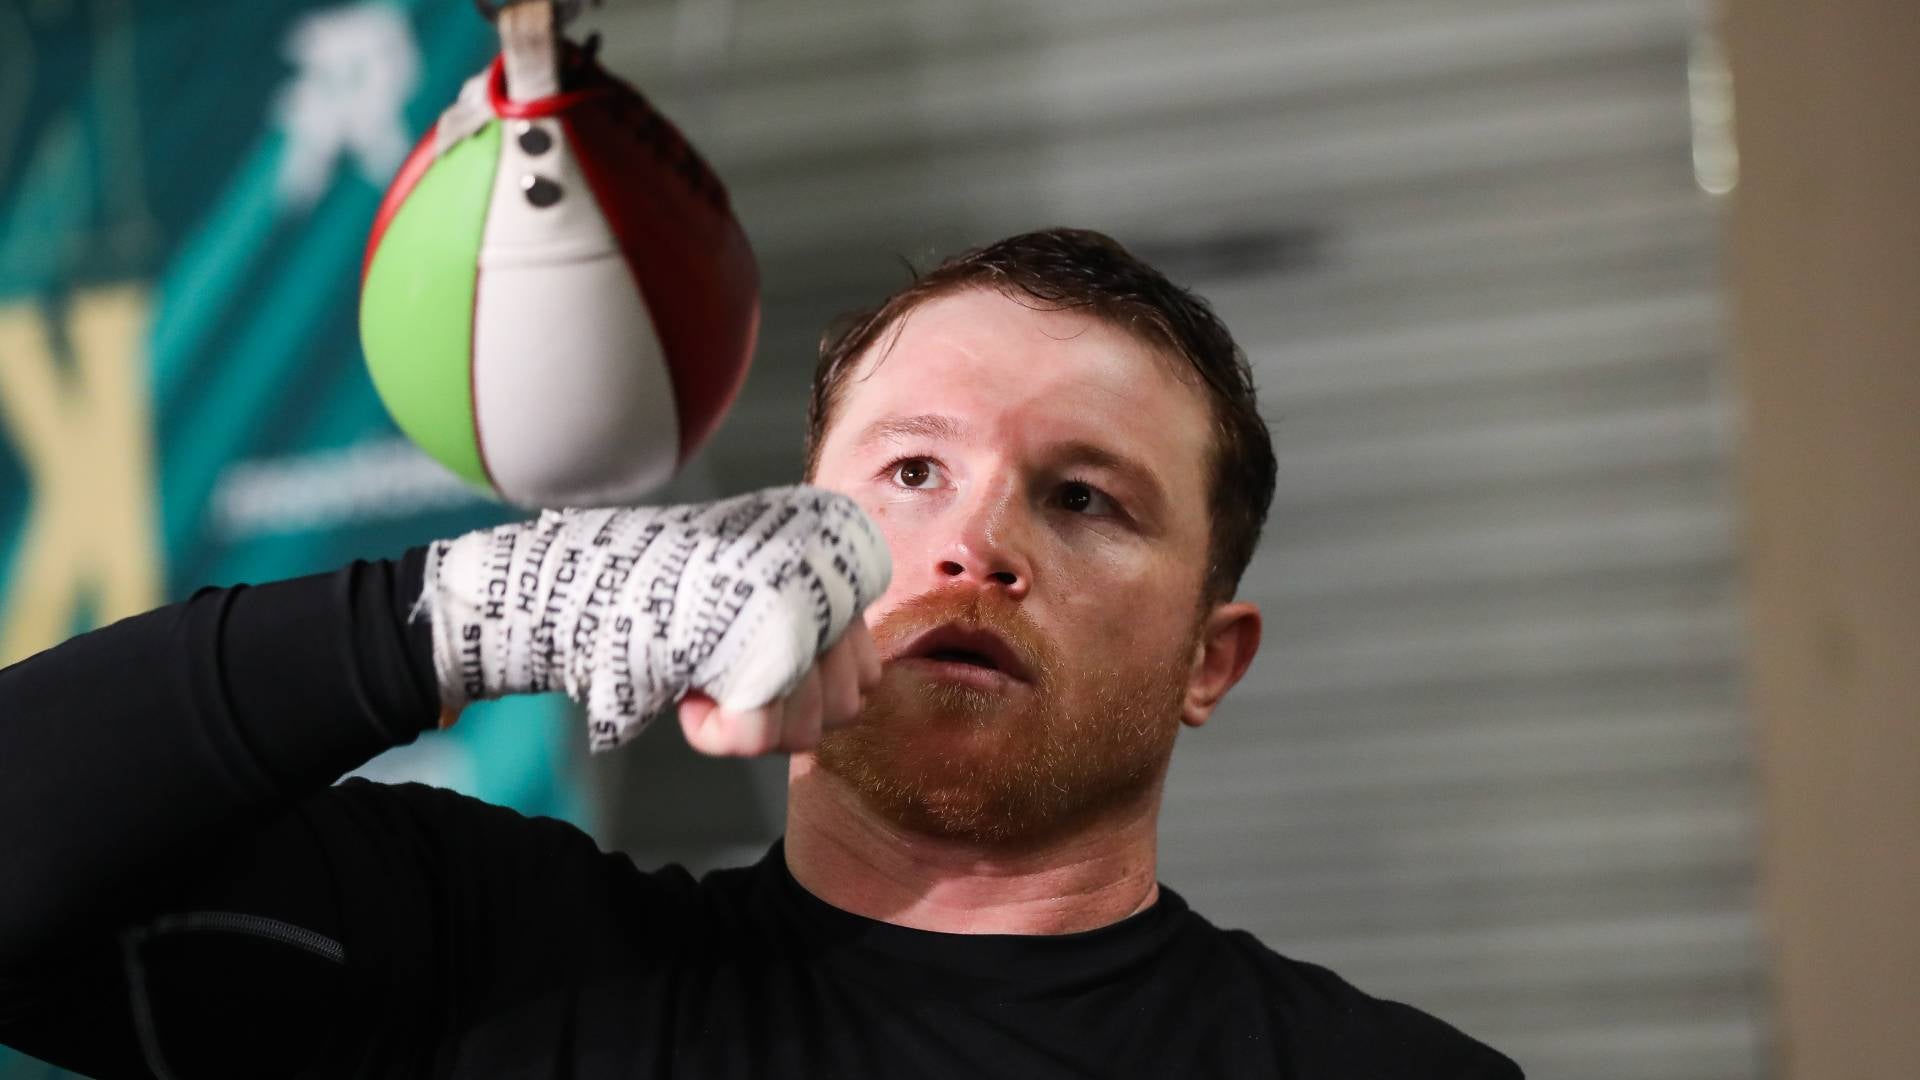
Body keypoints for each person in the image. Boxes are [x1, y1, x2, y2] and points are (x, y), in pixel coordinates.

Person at [0, 229, 1521, 1078]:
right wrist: (478, 611)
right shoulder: (483, 964)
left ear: (1214, 658)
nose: (972, 543)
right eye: (911, 472)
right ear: (785, 528)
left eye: (1083, 499)